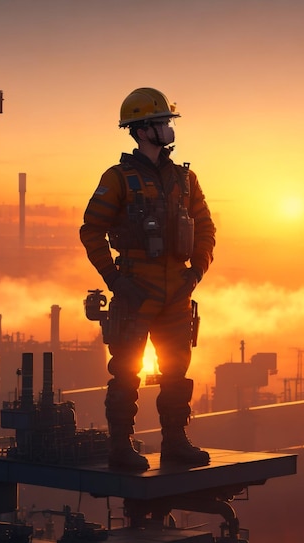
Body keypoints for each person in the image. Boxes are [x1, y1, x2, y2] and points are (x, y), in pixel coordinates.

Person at [80, 87, 216, 471]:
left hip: (176, 294)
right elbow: (91, 230)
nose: (168, 128)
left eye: (167, 121)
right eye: (160, 122)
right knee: (126, 374)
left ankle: (176, 442)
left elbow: (206, 228)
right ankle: (121, 448)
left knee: (176, 372)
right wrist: (114, 280)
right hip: (135, 292)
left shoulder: (185, 180)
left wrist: (196, 272)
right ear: (141, 130)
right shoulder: (118, 179)